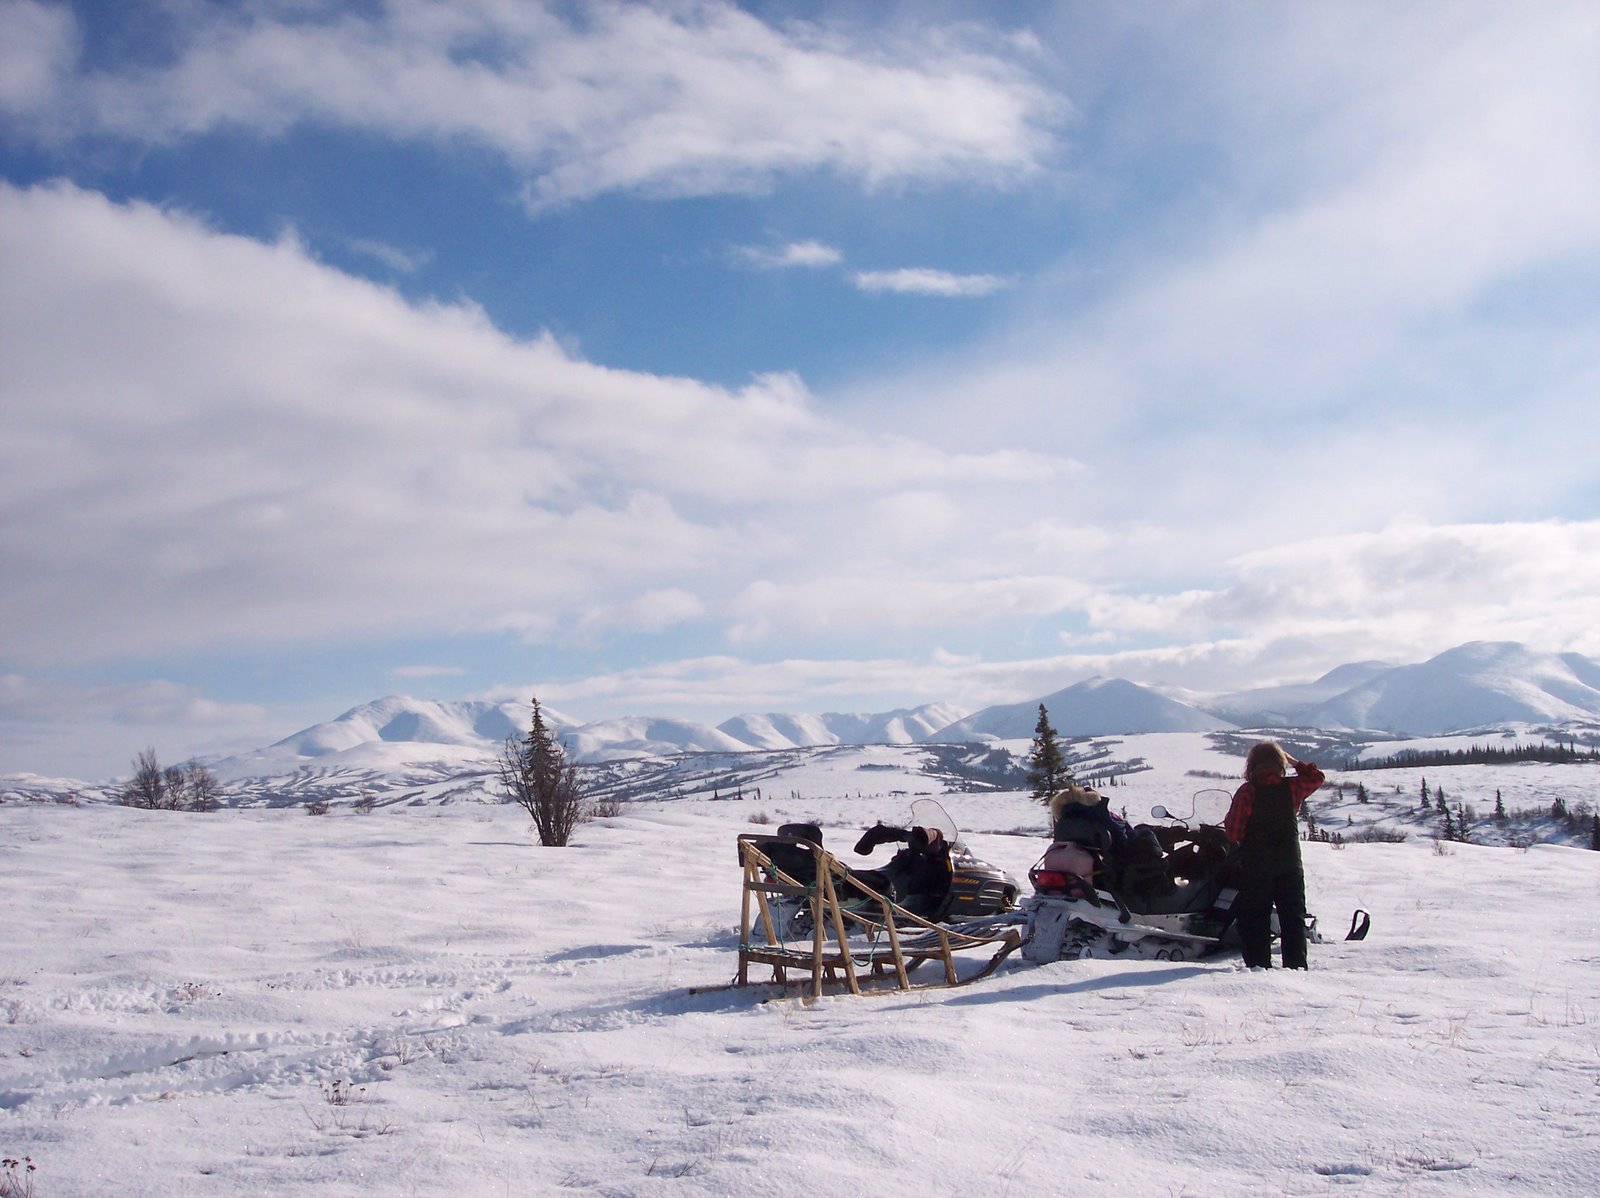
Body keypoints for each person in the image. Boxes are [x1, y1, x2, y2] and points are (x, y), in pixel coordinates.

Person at [1224, 741, 1325, 969]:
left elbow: (1233, 831)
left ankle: (1258, 969)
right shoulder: (1291, 788)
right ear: (1279, 763)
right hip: (1289, 864)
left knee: (1255, 919)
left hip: (1256, 865)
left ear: (1251, 765)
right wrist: (1294, 761)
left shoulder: (1247, 792)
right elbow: (1317, 777)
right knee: (1293, 918)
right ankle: (1296, 968)